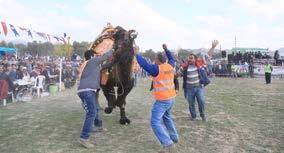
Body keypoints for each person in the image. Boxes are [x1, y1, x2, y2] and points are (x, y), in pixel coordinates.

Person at [135, 44, 178, 153]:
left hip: (162, 100)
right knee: (167, 117)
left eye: (155, 60)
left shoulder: (157, 69)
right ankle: (174, 136)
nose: (154, 62)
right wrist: (166, 49)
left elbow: (144, 64)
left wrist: (137, 53)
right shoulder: (170, 66)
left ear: (158, 60)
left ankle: (168, 144)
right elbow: (172, 58)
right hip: (171, 97)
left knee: (155, 122)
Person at [77, 49, 113, 148]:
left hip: (89, 90)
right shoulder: (92, 61)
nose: (98, 56)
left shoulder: (92, 65)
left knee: (95, 109)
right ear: (92, 56)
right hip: (87, 90)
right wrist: (113, 50)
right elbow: (104, 57)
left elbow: (105, 65)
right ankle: (84, 138)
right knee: (91, 113)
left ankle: (99, 126)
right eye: (96, 55)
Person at [182, 40, 218, 122]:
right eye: (189, 58)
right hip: (189, 89)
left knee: (201, 101)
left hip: (199, 87)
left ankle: (202, 115)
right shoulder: (184, 66)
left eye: (191, 58)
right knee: (191, 104)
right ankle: (193, 116)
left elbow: (207, 56)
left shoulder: (200, 63)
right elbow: (176, 74)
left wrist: (212, 47)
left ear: (195, 59)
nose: (189, 59)